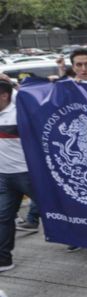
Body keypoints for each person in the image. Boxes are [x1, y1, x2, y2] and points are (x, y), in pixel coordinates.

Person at [0, 79, 35, 273]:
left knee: (55, 209)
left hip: (27, 175)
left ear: (5, 95)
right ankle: (4, 259)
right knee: (3, 218)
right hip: (3, 177)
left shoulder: (19, 115)